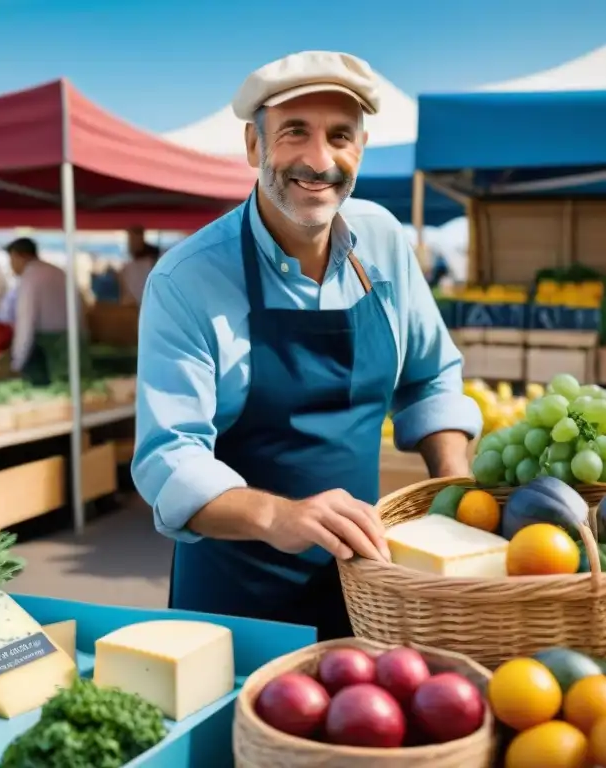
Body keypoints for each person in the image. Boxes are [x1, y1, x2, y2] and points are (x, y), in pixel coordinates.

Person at [134, 51, 482, 640]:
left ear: (360, 149)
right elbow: (170, 461)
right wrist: (280, 515)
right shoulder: (186, 280)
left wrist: (452, 488)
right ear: (254, 146)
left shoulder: (383, 241)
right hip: (234, 601)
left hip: (368, 585)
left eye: (339, 137)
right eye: (296, 132)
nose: (320, 161)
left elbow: (429, 377)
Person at [6, 237, 86, 385]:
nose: (11, 266)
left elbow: (26, 322)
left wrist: (17, 363)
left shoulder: (30, 278)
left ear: (19, 256)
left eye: (11, 260)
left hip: (48, 354)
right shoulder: (59, 273)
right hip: (75, 344)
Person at [119, 227, 159, 305]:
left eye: (135, 240)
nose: (132, 243)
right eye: (131, 240)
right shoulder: (127, 268)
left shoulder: (150, 264)